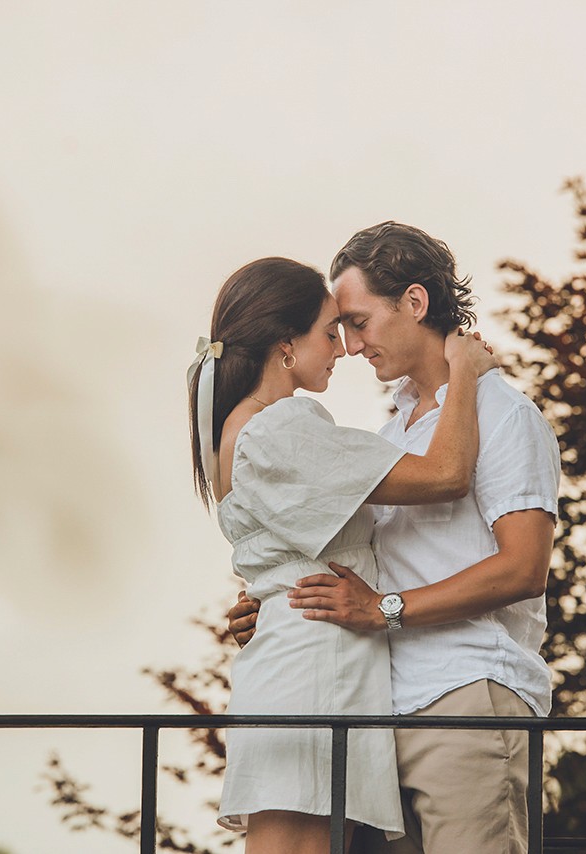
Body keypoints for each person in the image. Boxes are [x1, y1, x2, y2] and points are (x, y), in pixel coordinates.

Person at [228, 223, 561, 854]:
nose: (350, 346)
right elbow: (361, 563)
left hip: (465, 696)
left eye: (358, 322)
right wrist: (275, 605)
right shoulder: (390, 439)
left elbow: (523, 569)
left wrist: (385, 610)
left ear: (414, 302)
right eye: (341, 330)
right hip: (380, 708)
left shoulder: (504, 415)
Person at [188, 256, 497, 854]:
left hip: (304, 652)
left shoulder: (236, 429)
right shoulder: (283, 425)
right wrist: (466, 373)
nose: (344, 348)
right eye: (330, 332)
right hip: (317, 664)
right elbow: (448, 473)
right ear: (285, 344)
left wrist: (263, 601)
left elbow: (278, 555)